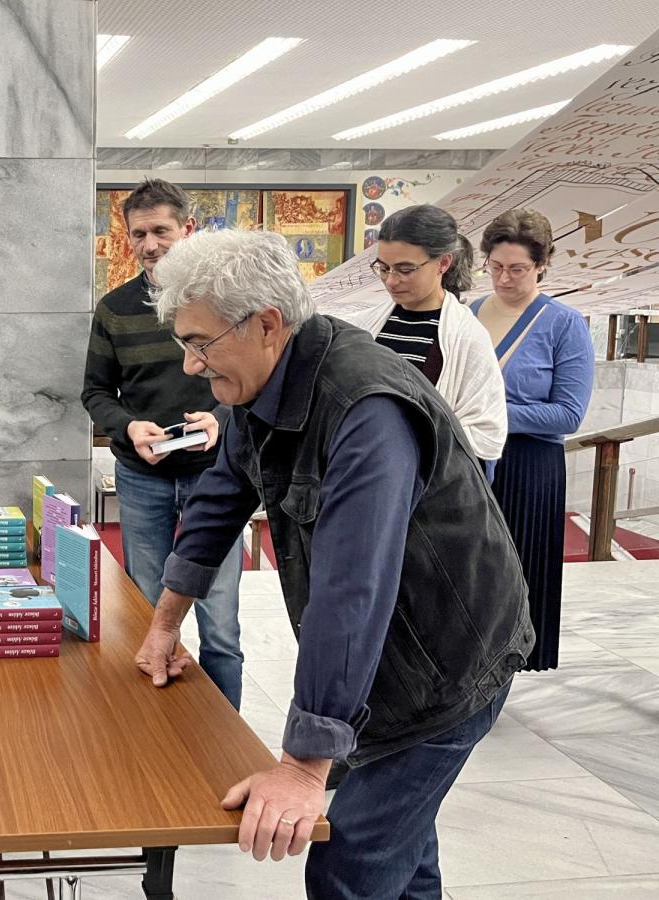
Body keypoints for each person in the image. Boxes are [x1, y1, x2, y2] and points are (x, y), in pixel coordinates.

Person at [133, 229, 533, 898]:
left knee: (349, 863)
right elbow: (219, 500)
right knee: (403, 848)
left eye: (201, 343)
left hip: (446, 666)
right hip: (387, 660)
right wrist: (165, 623)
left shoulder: (366, 408)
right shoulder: (260, 383)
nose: (191, 366)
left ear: (266, 325)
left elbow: (352, 590)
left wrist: (302, 765)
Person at [81, 178, 246, 709]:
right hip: (141, 478)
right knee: (149, 616)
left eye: (160, 231)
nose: (149, 244)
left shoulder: (224, 302)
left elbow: (254, 380)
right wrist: (129, 428)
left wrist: (220, 419)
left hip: (216, 478)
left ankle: (225, 739)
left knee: (220, 626)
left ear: (187, 229)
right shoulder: (114, 309)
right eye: (138, 234)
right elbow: (96, 392)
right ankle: (156, 732)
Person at [472, 208, 595, 671]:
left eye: (518, 269)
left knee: (518, 575)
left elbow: (568, 413)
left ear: (542, 266)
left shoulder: (564, 324)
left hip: (529, 467)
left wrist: (491, 413)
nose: (505, 278)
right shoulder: (467, 314)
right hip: (471, 459)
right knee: (469, 575)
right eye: (496, 267)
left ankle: (506, 668)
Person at [347, 205, 506, 479]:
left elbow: (485, 433)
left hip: (425, 484)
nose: (391, 280)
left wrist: (405, 441)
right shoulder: (365, 325)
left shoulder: (466, 337)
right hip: (362, 473)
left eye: (405, 269)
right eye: (383, 268)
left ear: (443, 263)